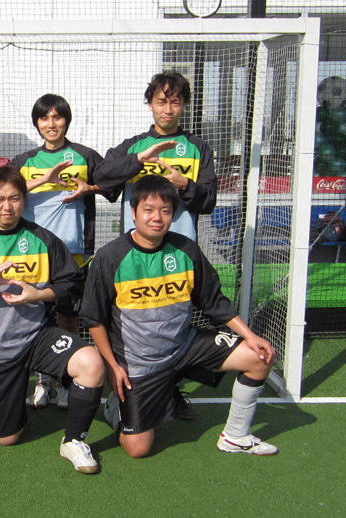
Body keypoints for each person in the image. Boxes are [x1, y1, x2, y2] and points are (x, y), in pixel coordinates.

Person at [80, 175, 278, 459]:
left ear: (173, 214)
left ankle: (235, 436)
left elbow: (213, 301)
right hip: (140, 362)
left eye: (165, 210)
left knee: (259, 358)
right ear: (133, 212)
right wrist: (113, 366)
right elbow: (94, 319)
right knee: (138, 449)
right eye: (149, 210)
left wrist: (250, 335)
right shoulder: (110, 257)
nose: (157, 217)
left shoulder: (186, 249)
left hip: (185, 346)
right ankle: (116, 408)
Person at [0, 166, 105, 474]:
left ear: (24, 200)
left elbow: (73, 283)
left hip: (39, 338)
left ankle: (74, 441)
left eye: (14, 198)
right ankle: (13, 398)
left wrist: (38, 295)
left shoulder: (43, 239)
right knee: (7, 437)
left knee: (91, 363)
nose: (7, 206)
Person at [94, 71, 218, 419]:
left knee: (176, 320)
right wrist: (138, 160)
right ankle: (122, 386)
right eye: (161, 101)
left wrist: (184, 184)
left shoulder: (198, 148)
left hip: (180, 254)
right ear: (150, 103)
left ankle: (172, 388)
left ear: (184, 106)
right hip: (135, 254)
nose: (168, 108)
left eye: (175, 102)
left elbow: (209, 201)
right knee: (131, 320)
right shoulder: (132, 146)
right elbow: (101, 176)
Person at [9, 94, 112, 410]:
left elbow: (113, 186)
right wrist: (44, 180)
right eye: (44, 118)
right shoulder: (24, 161)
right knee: (36, 318)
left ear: (66, 120)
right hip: (34, 256)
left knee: (68, 318)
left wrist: (90, 188)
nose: (51, 124)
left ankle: (68, 380)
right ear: (37, 123)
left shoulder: (84, 156)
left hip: (75, 254)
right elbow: (1, 191)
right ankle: (43, 382)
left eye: (57, 117)